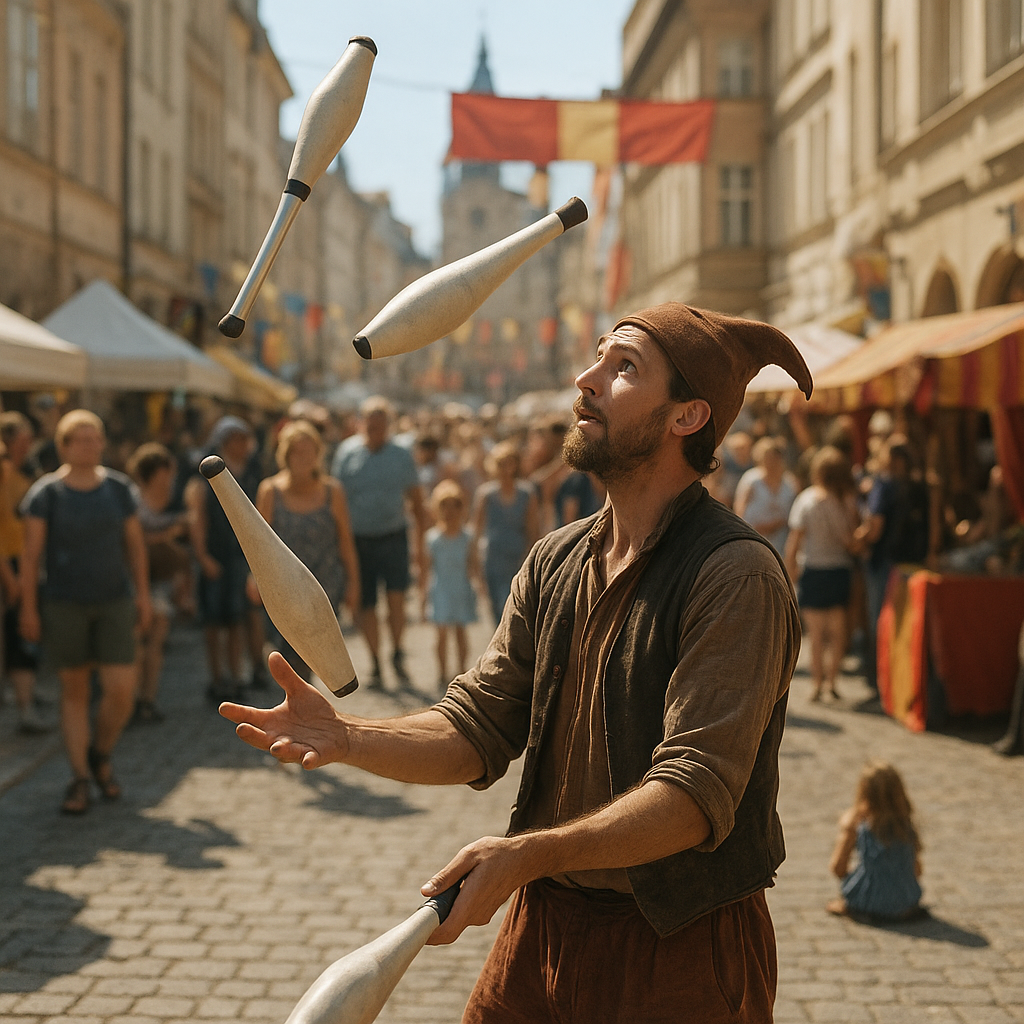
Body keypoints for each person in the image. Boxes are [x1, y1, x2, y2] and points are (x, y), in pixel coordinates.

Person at [221, 301, 813, 1023]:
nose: (585, 378)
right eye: (598, 356)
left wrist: (527, 855)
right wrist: (351, 737)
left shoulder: (735, 575)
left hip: (680, 945)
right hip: (546, 927)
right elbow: (478, 727)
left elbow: (693, 796)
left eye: (623, 367)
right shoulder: (556, 559)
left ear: (687, 416)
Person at [18, 410, 151, 814]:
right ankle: (79, 778)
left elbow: (135, 546)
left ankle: (100, 752)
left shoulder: (118, 489)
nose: (91, 444)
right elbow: (31, 555)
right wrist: (28, 608)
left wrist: (143, 596)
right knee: (74, 690)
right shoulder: (46, 494)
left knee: (121, 688)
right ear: (63, 445)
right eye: (82, 438)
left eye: (96, 437)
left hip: (114, 599)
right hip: (64, 603)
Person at [332, 397, 429, 689]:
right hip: (359, 541)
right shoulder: (347, 453)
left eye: (380, 424)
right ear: (361, 423)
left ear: (388, 425)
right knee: (366, 603)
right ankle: (375, 660)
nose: (374, 429)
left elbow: (416, 499)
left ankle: (397, 651)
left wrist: (420, 546)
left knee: (396, 598)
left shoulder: (401, 454)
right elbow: (336, 500)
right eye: (370, 424)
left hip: (393, 536)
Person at [254, 420, 360, 682]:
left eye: (309, 451)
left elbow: (345, 541)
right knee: (289, 652)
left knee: (316, 654)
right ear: (286, 455)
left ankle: (303, 708)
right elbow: (257, 544)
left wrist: (354, 583)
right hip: (283, 587)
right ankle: (299, 708)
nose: (304, 458)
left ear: (318, 454)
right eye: (297, 452)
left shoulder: (333, 491)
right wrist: (253, 578)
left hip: (325, 586)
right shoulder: (270, 491)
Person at [185, 416, 262, 702]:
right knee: (213, 623)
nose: (244, 445)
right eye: (238, 440)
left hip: (240, 558)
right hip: (215, 558)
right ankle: (217, 678)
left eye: (245, 439)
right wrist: (203, 556)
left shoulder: (252, 473)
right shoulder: (205, 476)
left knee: (236, 621)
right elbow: (198, 518)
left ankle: (236, 675)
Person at [785, 447, 861, 701]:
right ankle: (832, 680)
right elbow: (851, 541)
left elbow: (794, 540)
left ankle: (817, 684)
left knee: (816, 634)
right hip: (839, 569)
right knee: (837, 630)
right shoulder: (846, 501)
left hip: (814, 569)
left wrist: (789, 569)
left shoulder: (806, 499)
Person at [126, 442, 189, 723]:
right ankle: (132, 700)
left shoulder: (167, 497)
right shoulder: (134, 499)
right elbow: (132, 542)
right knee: (139, 640)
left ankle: (146, 699)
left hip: (160, 580)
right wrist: (168, 534)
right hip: (136, 578)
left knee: (156, 640)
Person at [827, 761, 924, 922]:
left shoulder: (858, 825)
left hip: (868, 903)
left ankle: (853, 903)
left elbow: (837, 868)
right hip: (907, 902)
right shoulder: (906, 826)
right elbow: (917, 872)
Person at [0, 412, 48, 734]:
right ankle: (24, 708)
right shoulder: (3, 474)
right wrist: (9, 575)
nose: (28, 444)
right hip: (9, 565)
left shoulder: (22, 474)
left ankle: (25, 696)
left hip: (22, 561)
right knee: (17, 633)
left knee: (23, 632)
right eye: (23, 438)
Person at [472, 440, 539, 624]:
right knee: (496, 610)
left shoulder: (527, 493)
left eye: (509, 462)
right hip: (493, 558)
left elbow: (533, 530)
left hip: (517, 558)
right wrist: (475, 566)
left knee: (515, 609)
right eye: (500, 463)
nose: (505, 468)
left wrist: (532, 560)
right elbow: (476, 532)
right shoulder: (485, 495)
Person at [425, 480, 478, 692]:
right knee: (441, 634)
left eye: (454, 505)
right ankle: (442, 671)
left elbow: (473, 564)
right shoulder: (432, 538)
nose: (449, 511)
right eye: (444, 505)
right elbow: (426, 568)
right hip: (441, 589)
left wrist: (478, 586)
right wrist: (423, 596)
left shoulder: (467, 537)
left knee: (460, 631)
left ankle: (462, 669)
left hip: (460, 587)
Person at [735, 436, 798, 555]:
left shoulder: (790, 483)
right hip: (754, 538)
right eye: (767, 457)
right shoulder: (751, 480)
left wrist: (777, 524)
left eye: (774, 457)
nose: (771, 461)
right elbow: (740, 509)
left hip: (781, 541)